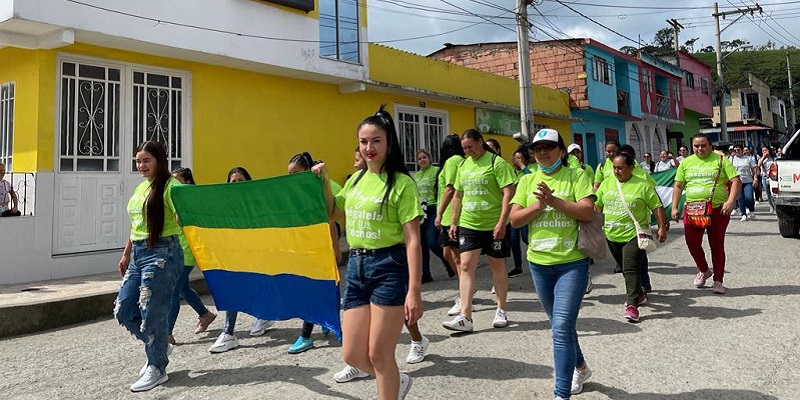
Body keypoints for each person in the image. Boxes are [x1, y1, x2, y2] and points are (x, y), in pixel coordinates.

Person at [314, 105, 423, 400]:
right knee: (351, 354)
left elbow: (413, 240)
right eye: (364, 142)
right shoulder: (356, 180)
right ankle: (396, 383)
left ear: (388, 143)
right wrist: (323, 181)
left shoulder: (402, 184)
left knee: (379, 354)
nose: (369, 148)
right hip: (357, 266)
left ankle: (390, 388)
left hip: (389, 265)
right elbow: (332, 212)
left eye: (376, 141)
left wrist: (414, 290)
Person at [509, 128, 596, 399]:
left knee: (559, 328)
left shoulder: (575, 175)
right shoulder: (527, 180)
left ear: (561, 151)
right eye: (538, 149)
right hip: (539, 265)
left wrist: (553, 200)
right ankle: (579, 366)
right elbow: (515, 219)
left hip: (572, 264)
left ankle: (561, 393)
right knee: (562, 325)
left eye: (549, 147)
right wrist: (537, 206)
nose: (543, 152)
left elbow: (587, 211)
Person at [115, 141, 183, 392]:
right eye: (138, 161)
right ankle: (159, 345)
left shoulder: (171, 186)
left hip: (163, 253)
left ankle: (157, 368)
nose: (141, 165)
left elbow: (183, 214)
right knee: (123, 310)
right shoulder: (141, 187)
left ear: (159, 161)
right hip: (138, 253)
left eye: (146, 160)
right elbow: (135, 226)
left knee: (152, 311)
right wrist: (125, 255)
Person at [442, 129, 516, 333]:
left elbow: (508, 193)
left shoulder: (496, 163)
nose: (468, 152)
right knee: (465, 266)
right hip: (469, 224)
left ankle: (501, 309)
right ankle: (465, 316)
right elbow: (458, 195)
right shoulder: (463, 165)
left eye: (470, 147)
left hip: (493, 224)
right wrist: (454, 222)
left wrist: (502, 221)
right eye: (464, 148)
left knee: (497, 265)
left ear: (480, 142)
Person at [208, 167, 275, 353]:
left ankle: (262, 315)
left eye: (241, 180)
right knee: (234, 289)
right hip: (233, 254)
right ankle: (228, 333)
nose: (237, 184)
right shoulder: (226, 204)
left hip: (255, 252)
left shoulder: (256, 202)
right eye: (233, 181)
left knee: (255, 285)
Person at [595, 154, 668, 322]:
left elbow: (656, 206)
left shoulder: (642, 185)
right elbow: (597, 204)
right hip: (612, 234)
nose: (616, 171)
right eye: (614, 168)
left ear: (631, 168)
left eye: (620, 168)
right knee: (624, 268)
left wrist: (662, 227)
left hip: (634, 234)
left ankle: (632, 305)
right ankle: (639, 294)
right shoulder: (607, 183)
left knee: (630, 269)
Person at [285, 152, 342, 354]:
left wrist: (335, 248)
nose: (293, 178)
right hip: (305, 246)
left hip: (322, 243)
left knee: (317, 287)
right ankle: (328, 320)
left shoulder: (318, 187)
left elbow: (331, 221)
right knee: (319, 287)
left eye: (296, 173)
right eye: (289, 174)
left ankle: (306, 335)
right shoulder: (293, 194)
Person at [672, 133, 741, 295]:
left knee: (716, 245)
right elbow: (678, 185)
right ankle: (703, 269)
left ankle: (718, 281)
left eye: (703, 145)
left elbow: (736, 181)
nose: (700, 149)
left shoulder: (721, 160)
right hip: (692, 210)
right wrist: (674, 207)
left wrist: (730, 201)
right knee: (692, 242)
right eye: (696, 146)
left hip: (718, 210)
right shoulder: (686, 163)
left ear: (710, 146)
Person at [167, 167, 218, 345]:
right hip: (176, 248)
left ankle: (167, 333)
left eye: (177, 180)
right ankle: (205, 314)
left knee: (173, 290)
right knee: (182, 288)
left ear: (187, 182)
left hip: (188, 251)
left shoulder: (190, 199)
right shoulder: (173, 198)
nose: (173, 184)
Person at [434, 134, 467, 317]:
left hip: (452, 216)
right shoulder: (458, 161)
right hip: (449, 217)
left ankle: (464, 293)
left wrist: (439, 212)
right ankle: (464, 287)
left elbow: (450, 189)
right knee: (448, 253)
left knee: (457, 257)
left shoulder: (453, 162)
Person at [413, 149, 454, 283]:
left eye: (424, 157)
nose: (422, 160)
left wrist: (440, 212)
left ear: (430, 159)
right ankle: (426, 274)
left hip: (433, 208)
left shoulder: (436, 171)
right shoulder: (416, 176)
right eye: (419, 159)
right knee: (422, 244)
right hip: (421, 210)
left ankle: (447, 261)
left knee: (432, 242)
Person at [507, 145, 532, 278]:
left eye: (519, 158)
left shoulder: (529, 171)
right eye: (515, 158)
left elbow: (533, 178)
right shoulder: (511, 171)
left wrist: (522, 166)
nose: (516, 160)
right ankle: (518, 267)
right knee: (513, 239)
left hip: (525, 210)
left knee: (526, 237)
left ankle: (538, 257)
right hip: (513, 209)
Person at [730, 144, 758, 222]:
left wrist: (755, 178)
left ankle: (751, 210)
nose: (736, 152)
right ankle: (743, 214)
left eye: (738, 150)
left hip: (748, 181)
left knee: (749, 197)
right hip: (737, 182)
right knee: (740, 199)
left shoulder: (748, 158)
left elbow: (754, 169)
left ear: (742, 150)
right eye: (735, 150)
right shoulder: (731, 159)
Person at [757, 145, 776, 214]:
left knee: (773, 193)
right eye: (763, 151)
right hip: (765, 178)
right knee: (768, 194)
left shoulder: (774, 158)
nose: (764, 152)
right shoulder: (762, 159)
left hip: (773, 178)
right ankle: (771, 207)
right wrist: (764, 156)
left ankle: (775, 207)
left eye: (765, 150)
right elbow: (758, 164)